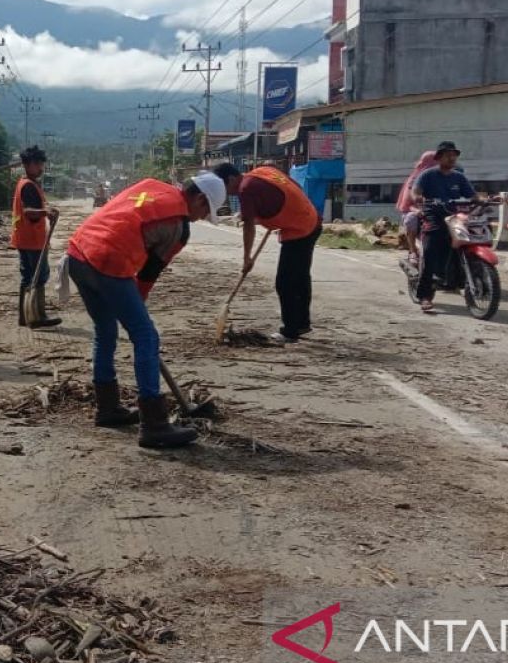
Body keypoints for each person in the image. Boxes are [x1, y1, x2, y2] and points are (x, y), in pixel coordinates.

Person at [65, 172, 225, 449]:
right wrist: (134, 309)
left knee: (105, 331)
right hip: (108, 260)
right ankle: (154, 424)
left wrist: (129, 305)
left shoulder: (152, 185)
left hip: (78, 252)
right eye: (205, 211)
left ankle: (108, 408)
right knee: (146, 337)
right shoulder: (178, 226)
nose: (200, 218)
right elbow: (148, 275)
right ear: (199, 198)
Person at [213, 163, 322, 345]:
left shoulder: (245, 189)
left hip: (300, 229)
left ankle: (290, 331)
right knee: (300, 278)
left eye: (224, 188)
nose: (226, 194)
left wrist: (247, 258)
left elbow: (248, 226)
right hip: (311, 219)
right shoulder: (263, 171)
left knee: (285, 282)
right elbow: (291, 186)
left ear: (231, 179)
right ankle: (302, 323)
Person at [413, 141, 476, 312]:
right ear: (439, 157)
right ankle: (425, 296)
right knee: (431, 252)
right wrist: (418, 198)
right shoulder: (428, 175)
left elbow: (472, 195)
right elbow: (416, 191)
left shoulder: (459, 177)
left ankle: (462, 281)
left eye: (454, 155)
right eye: (448, 155)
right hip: (433, 215)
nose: (452, 158)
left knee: (464, 245)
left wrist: (484, 199)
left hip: (454, 217)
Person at [11, 145, 61, 328]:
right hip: (31, 240)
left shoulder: (25, 184)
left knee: (30, 277)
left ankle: (27, 316)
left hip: (27, 238)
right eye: (39, 164)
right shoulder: (28, 186)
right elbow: (29, 212)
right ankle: (36, 315)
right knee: (36, 277)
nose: (41, 168)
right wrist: (45, 211)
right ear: (29, 164)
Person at [395, 151, 437, 265]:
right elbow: (408, 203)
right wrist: (417, 210)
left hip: (439, 211)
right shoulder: (416, 179)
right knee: (411, 219)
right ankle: (413, 251)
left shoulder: (446, 176)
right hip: (416, 211)